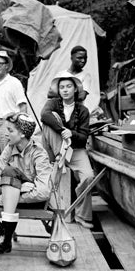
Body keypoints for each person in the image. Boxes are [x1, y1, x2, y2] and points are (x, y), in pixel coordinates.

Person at [0, 112, 51, 255]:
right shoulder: (9, 148)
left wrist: (16, 195)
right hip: (7, 193)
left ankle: (6, 242)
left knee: (9, 171)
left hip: (31, 200)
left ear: (23, 134)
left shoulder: (39, 154)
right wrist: (4, 188)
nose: (6, 134)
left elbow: (43, 191)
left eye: (10, 130)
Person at [41, 73, 94, 229]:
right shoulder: (52, 104)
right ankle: (54, 211)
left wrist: (72, 134)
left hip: (75, 150)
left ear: (75, 90)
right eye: (62, 87)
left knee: (88, 177)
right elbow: (44, 115)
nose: (65, 90)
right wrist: (62, 129)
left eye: (69, 86)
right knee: (51, 119)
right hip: (56, 149)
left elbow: (84, 137)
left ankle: (81, 215)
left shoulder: (83, 110)